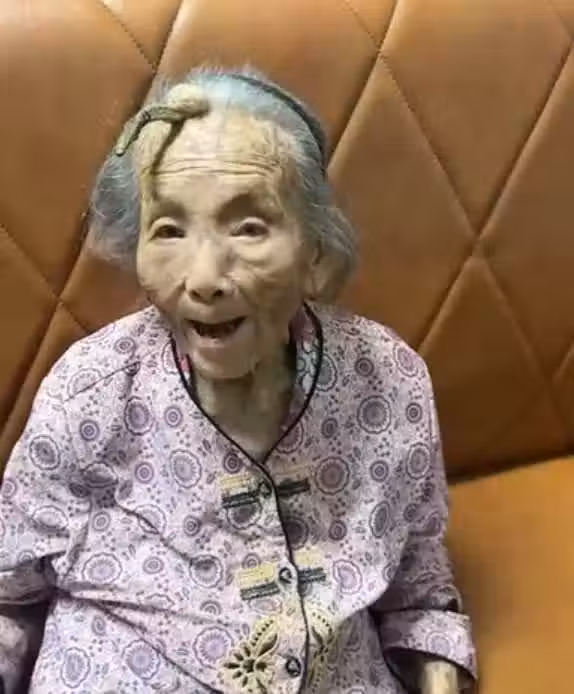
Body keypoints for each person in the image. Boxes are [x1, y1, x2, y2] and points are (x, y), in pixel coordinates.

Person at [0, 67, 476, 693]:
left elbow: (418, 592)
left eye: (249, 226)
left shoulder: (387, 384)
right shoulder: (89, 394)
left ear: (315, 250)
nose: (203, 278)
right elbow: (7, 595)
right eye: (168, 230)